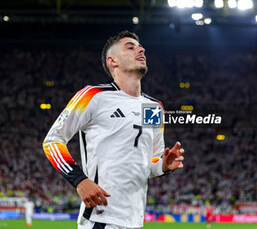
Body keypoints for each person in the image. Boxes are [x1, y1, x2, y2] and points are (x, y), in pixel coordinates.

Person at [42, 30, 184, 229]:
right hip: (100, 219)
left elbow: (149, 164)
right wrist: (80, 181)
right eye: (130, 47)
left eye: (140, 46)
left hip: (134, 221)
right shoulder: (93, 95)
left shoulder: (154, 107)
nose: (140, 49)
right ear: (113, 61)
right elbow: (52, 141)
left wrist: (163, 166)